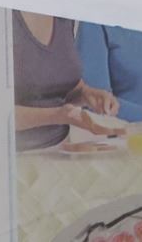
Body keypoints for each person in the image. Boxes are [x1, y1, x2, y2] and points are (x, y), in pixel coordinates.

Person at [11, 11, 119, 151]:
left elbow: (61, 84)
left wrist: (86, 94)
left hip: (59, 149)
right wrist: (56, 115)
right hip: (11, 155)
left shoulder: (63, 17)